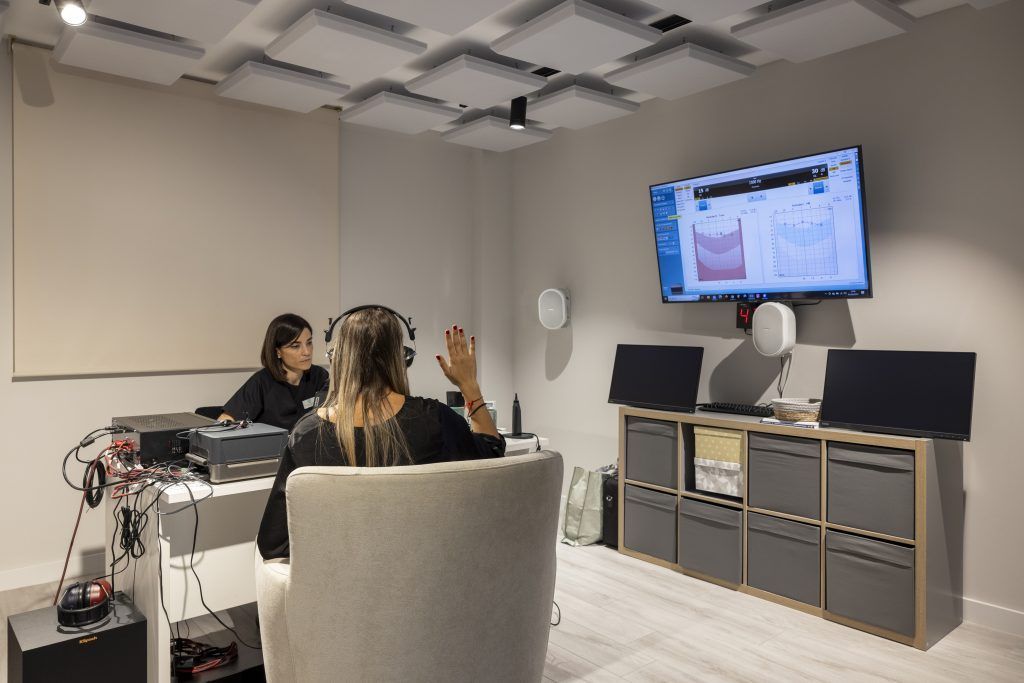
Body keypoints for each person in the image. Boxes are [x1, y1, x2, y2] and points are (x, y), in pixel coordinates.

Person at [257, 308, 504, 560]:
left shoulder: (306, 434)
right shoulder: (435, 419)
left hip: (341, 591)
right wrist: (469, 387)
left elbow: (273, 544)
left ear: (336, 358)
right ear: (402, 358)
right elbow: (492, 452)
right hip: (425, 581)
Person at [219, 314, 329, 432]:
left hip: (308, 448)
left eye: (309, 342)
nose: (307, 352)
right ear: (278, 352)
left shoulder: (320, 376)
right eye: (295, 346)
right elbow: (225, 421)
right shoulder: (262, 382)